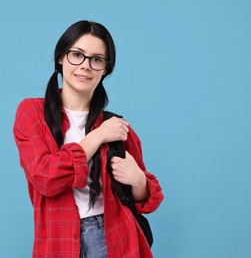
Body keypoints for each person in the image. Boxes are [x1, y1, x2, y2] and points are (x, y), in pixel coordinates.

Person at [13, 20, 164, 258]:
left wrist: (138, 180)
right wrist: (98, 136)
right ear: (61, 58)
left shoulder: (117, 126)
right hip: (58, 241)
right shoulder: (32, 113)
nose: (85, 66)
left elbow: (146, 201)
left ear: (105, 69)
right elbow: (46, 178)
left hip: (115, 239)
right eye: (77, 55)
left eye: (96, 59)